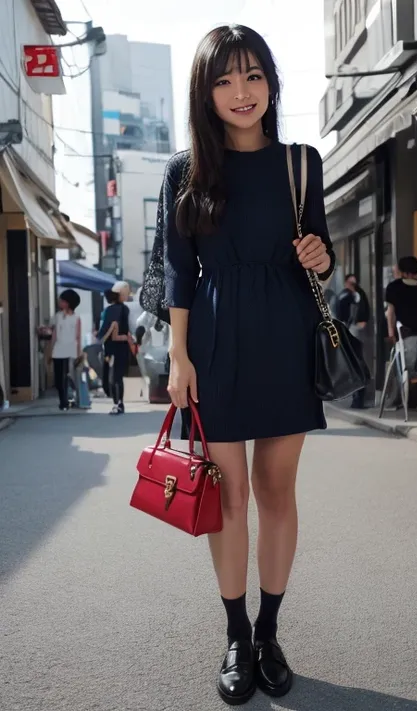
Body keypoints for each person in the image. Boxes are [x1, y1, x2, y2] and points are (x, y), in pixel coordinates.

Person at [141, 25, 335, 705]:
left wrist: (319, 256)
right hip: (216, 343)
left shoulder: (301, 163)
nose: (240, 91)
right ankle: (233, 636)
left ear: (271, 83)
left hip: (286, 335)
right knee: (226, 494)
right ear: (206, 91)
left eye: (252, 75)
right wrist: (179, 355)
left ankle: (269, 632)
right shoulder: (184, 170)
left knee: (276, 489)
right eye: (224, 79)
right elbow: (178, 271)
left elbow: (322, 253)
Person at [97, 281, 131, 415]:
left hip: (110, 349)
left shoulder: (109, 310)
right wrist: (127, 338)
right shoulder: (123, 309)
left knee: (112, 377)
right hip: (121, 348)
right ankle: (120, 403)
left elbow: (105, 331)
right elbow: (120, 332)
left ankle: (116, 403)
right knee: (118, 377)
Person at [337, 274, 370, 408]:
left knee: (358, 364)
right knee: (354, 364)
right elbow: (340, 313)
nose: (352, 286)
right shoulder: (344, 296)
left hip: (356, 332)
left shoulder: (358, 295)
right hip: (349, 331)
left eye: (354, 284)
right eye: (351, 283)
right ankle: (356, 397)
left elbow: (364, 311)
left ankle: (359, 397)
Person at [51, 289, 82, 411]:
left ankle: (65, 400)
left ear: (68, 303)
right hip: (60, 350)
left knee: (64, 375)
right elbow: (54, 333)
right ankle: (64, 400)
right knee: (60, 376)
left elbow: (78, 336)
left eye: (62, 300)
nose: (59, 302)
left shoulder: (74, 318)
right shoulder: (58, 316)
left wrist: (79, 352)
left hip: (68, 349)